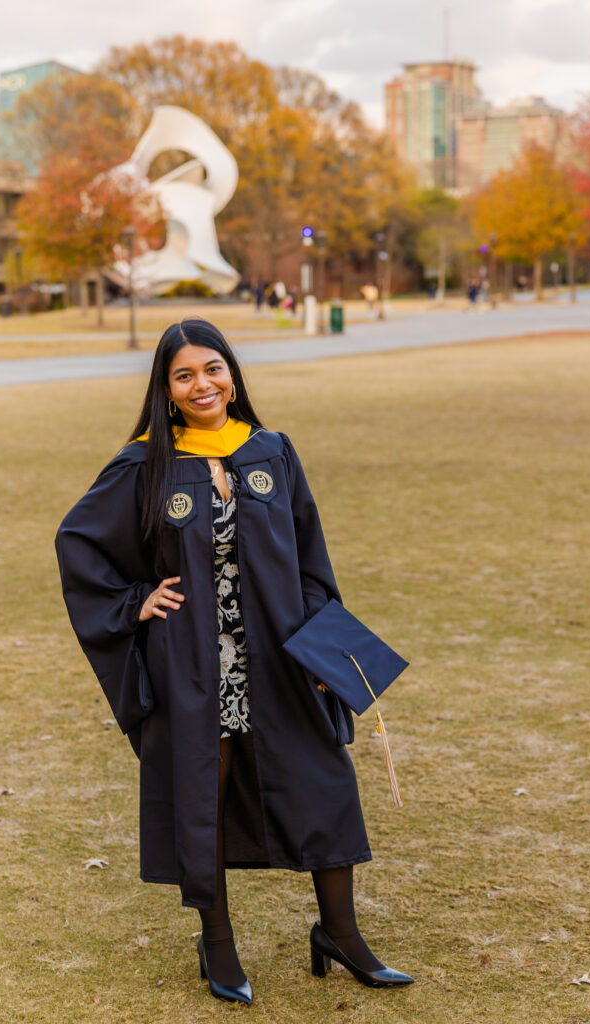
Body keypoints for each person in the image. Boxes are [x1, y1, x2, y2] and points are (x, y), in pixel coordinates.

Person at [55, 319, 413, 1005]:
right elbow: (77, 542)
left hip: (280, 655)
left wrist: (320, 646)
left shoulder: (271, 452)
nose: (202, 385)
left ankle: (340, 933)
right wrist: (135, 601)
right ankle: (216, 944)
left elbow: (310, 558)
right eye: (184, 375)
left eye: (212, 369)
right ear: (165, 388)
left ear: (232, 373)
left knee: (324, 781)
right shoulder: (145, 465)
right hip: (193, 662)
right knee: (202, 797)